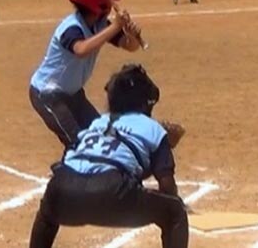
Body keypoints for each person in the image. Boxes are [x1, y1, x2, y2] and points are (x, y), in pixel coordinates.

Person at [29, 64, 188, 248]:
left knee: (47, 215)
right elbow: (167, 186)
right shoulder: (153, 129)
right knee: (175, 211)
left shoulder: (97, 123)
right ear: (144, 103)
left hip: (63, 188)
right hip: (112, 192)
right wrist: (165, 147)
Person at [29, 0, 142, 148]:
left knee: (100, 134)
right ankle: (66, 174)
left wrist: (132, 34)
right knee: (77, 143)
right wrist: (115, 27)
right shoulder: (71, 28)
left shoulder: (99, 25)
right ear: (99, 6)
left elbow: (130, 46)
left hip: (73, 94)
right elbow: (81, 49)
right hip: (47, 94)